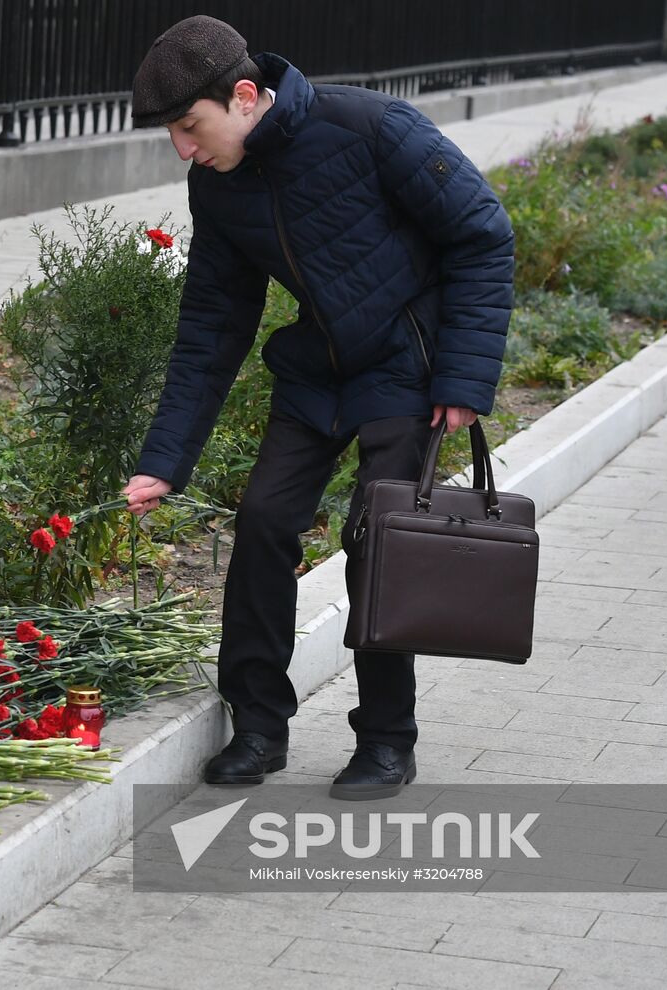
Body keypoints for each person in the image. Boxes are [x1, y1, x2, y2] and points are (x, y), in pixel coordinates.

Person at [122, 16, 514, 799]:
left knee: (378, 539)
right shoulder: (219, 183)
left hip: (409, 370)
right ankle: (260, 728)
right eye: (171, 133)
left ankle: (386, 742)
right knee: (265, 521)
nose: (184, 150)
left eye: (190, 127)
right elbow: (212, 326)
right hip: (318, 377)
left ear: (243, 96)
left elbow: (483, 233)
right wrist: (165, 460)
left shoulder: (372, 128)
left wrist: (464, 382)